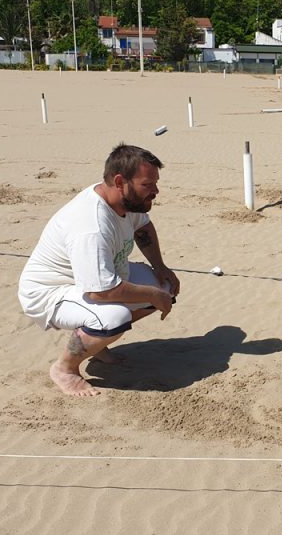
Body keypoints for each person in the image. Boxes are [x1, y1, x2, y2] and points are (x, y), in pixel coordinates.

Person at [18, 143, 179, 397]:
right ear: (120, 181)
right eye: (147, 185)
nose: (155, 191)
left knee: (165, 289)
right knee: (113, 319)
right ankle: (65, 369)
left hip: (95, 280)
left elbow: (143, 228)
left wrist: (160, 267)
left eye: (155, 183)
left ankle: (94, 344)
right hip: (51, 292)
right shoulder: (91, 225)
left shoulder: (123, 200)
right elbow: (100, 292)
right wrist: (150, 295)